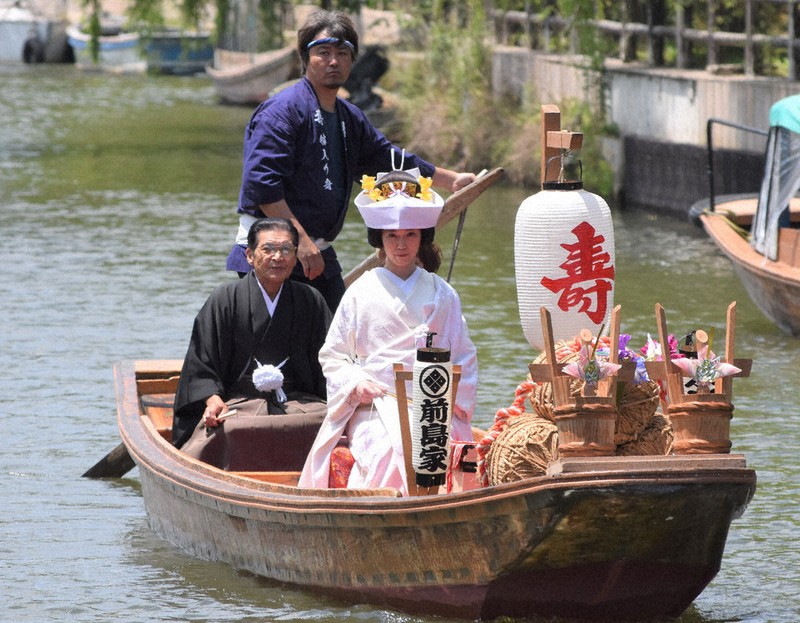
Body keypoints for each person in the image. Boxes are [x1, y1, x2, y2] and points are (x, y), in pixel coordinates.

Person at [226, 8, 477, 311]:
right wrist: (300, 241)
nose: (334, 61)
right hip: (275, 250)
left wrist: (451, 180)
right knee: (273, 351)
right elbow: (263, 186)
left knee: (333, 341)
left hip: (316, 251)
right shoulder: (281, 111)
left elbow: (387, 160)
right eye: (324, 52)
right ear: (305, 58)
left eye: (343, 53)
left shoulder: (349, 117)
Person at [298, 167, 478, 495]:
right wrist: (356, 383)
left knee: (447, 454)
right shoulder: (360, 292)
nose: (401, 244)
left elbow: (463, 357)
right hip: (375, 407)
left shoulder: (443, 294)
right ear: (380, 239)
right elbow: (333, 356)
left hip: (432, 405)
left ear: (422, 237)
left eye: (410, 235)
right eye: (392, 236)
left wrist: (453, 403)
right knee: (388, 452)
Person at [172, 217, 332, 449]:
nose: (277, 257)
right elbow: (201, 363)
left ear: (295, 256)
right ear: (249, 255)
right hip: (238, 404)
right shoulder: (225, 299)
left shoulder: (311, 300)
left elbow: (330, 359)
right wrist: (212, 399)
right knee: (228, 431)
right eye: (268, 249)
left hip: (299, 403)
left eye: (286, 249)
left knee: (328, 422)